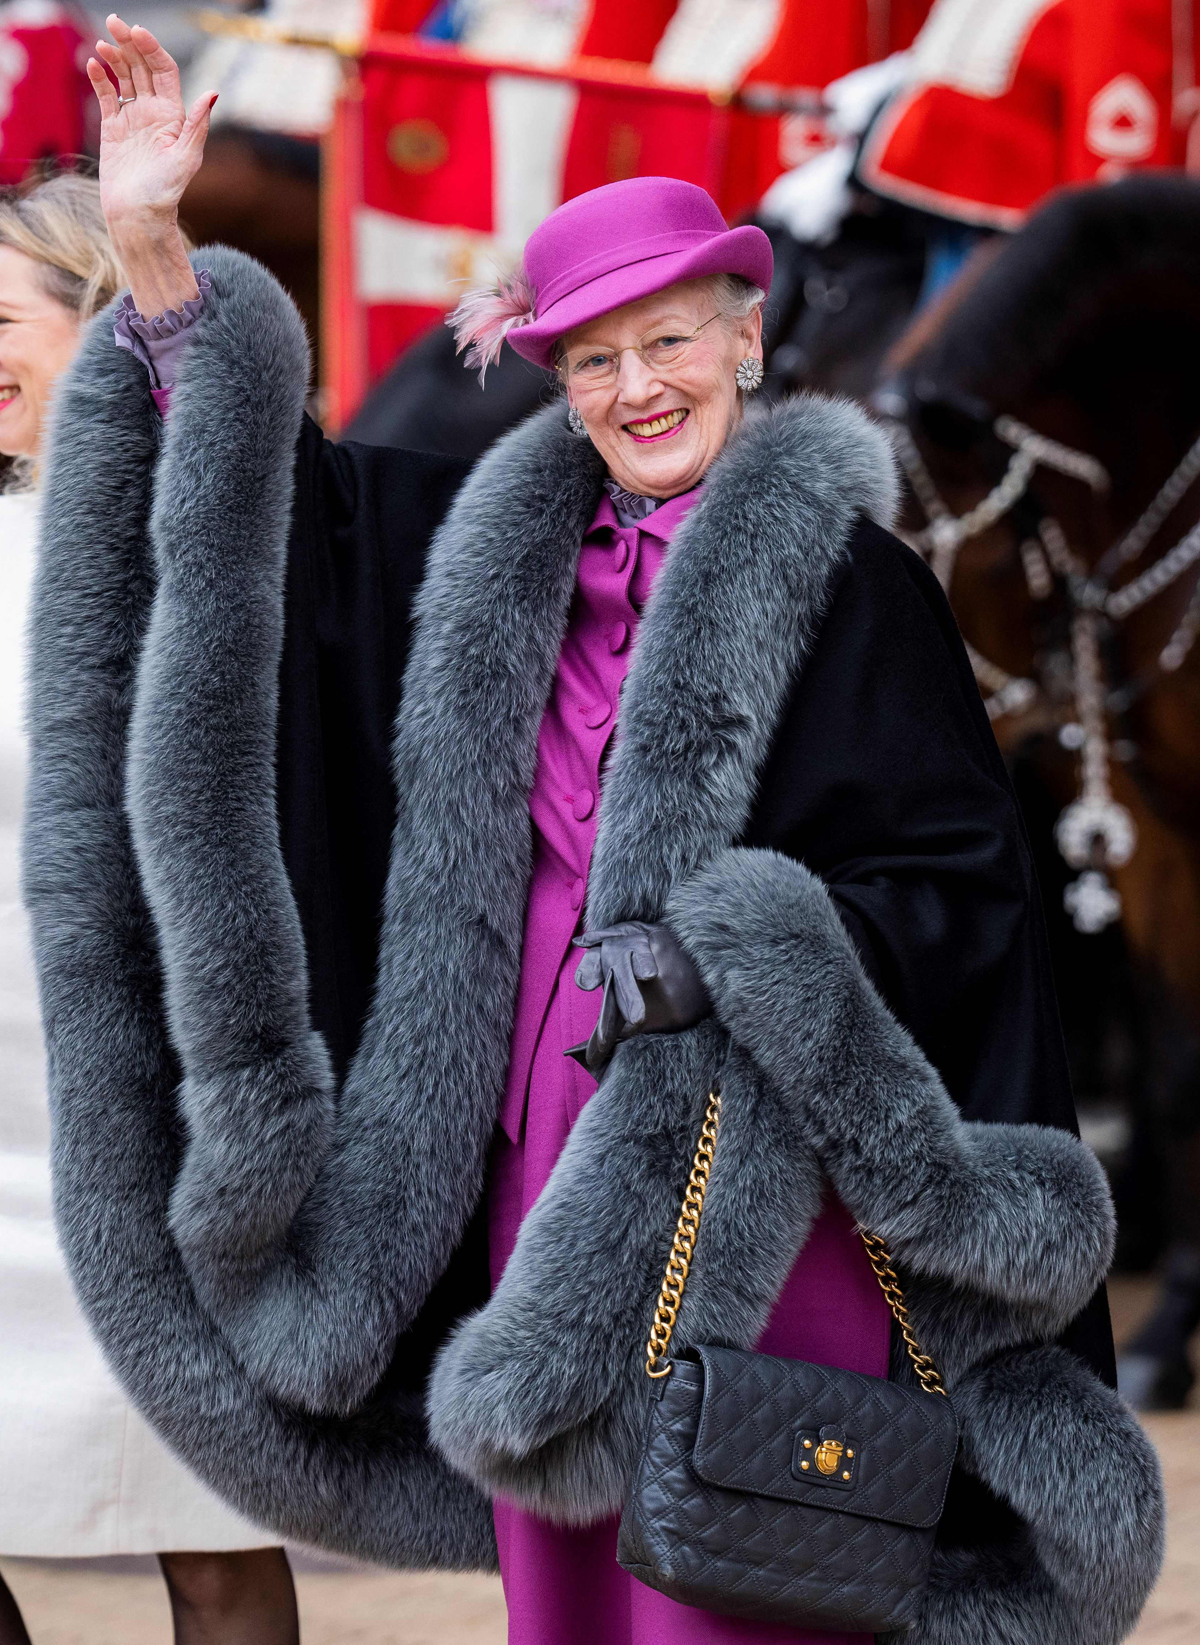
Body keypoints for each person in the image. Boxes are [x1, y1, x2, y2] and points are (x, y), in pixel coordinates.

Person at [26, 17, 1161, 1644]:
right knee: (568, 1598)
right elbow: (280, 506)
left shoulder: (858, 587)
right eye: (593, 360)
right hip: (527, 1178)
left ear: (747, 341)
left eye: (666, 343)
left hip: (760, 1198)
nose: (638, 388)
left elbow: (962, 901)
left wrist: (733, 956)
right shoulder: (492, 561)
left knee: (735, 1584)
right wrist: (151, 247)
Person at [0, 170, 299, 1645]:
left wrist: (153, 244)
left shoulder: (195, 528)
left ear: (88, 317)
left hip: (146, 1124)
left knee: (210, 1521)